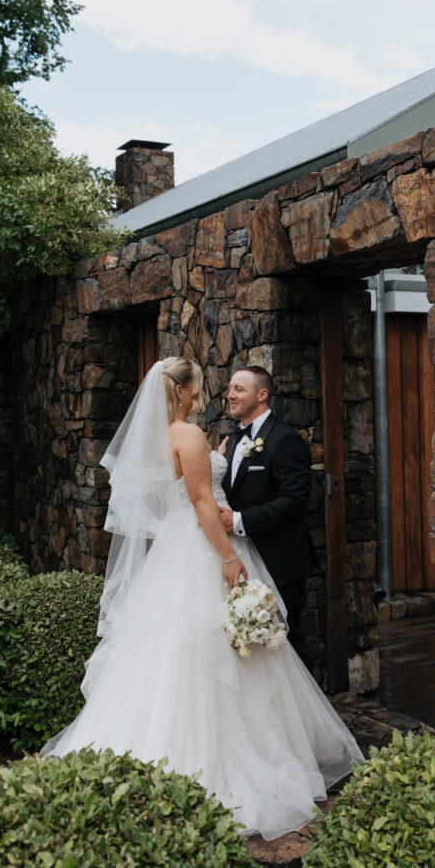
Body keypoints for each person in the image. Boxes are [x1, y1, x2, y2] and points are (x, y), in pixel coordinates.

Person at [39, 357, 363, 840]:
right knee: (214, 651)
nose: (211, 392)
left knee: (178, 650)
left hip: (176, 551)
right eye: (200, 386)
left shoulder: (167, 436)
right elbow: (200, 501)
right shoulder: (189, 435)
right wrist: (228, 557)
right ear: (181, 391)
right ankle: (222, 758)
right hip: (204, 548)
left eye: (232, 387)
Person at [218, 366, 313, 665]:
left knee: (286, 645)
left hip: (278, 560)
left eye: (239, 389)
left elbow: (294, 501)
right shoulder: (232, 441)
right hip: (243, 560)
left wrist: (238, 520)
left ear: (262, 394)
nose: (230, 395)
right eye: (230, 388)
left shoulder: (285, 439)